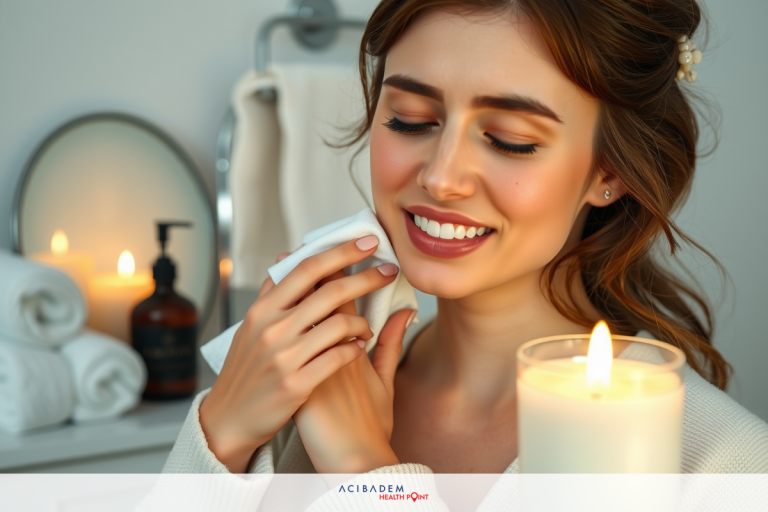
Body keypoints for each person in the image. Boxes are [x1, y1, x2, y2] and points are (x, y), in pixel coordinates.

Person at [162, 0, 768, 488]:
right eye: (410, 120)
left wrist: (365, 472)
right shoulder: (308, 376)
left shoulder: (725, 460)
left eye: (509, 139)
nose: (440, 176)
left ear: (609, 173)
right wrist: (221, 432)